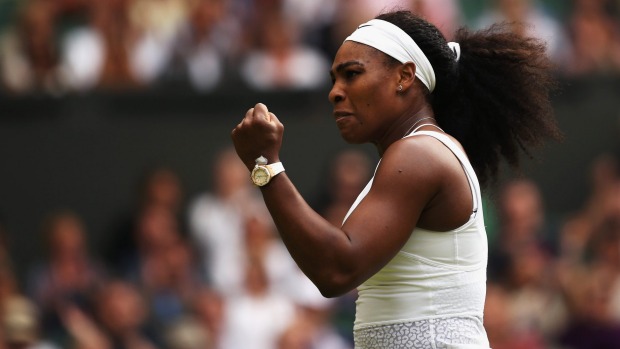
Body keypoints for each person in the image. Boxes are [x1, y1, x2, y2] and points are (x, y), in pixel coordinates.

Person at [231, 9, 561, 349]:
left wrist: (266, 166)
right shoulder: (418, 152)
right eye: (334, 79)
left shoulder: (418, 155)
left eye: (352, 74)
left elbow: (336, 270)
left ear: (404, 76)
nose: (336, 92)